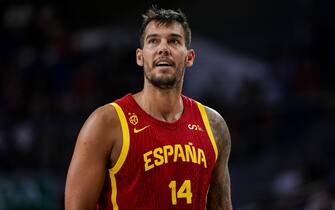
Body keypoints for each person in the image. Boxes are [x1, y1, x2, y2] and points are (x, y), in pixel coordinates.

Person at [65, 6, 233, 210]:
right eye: (153, 41)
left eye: (174, 41)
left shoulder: (214, 126)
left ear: (189, 57)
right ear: (140, 56)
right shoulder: (105, 123)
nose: (163, 48)